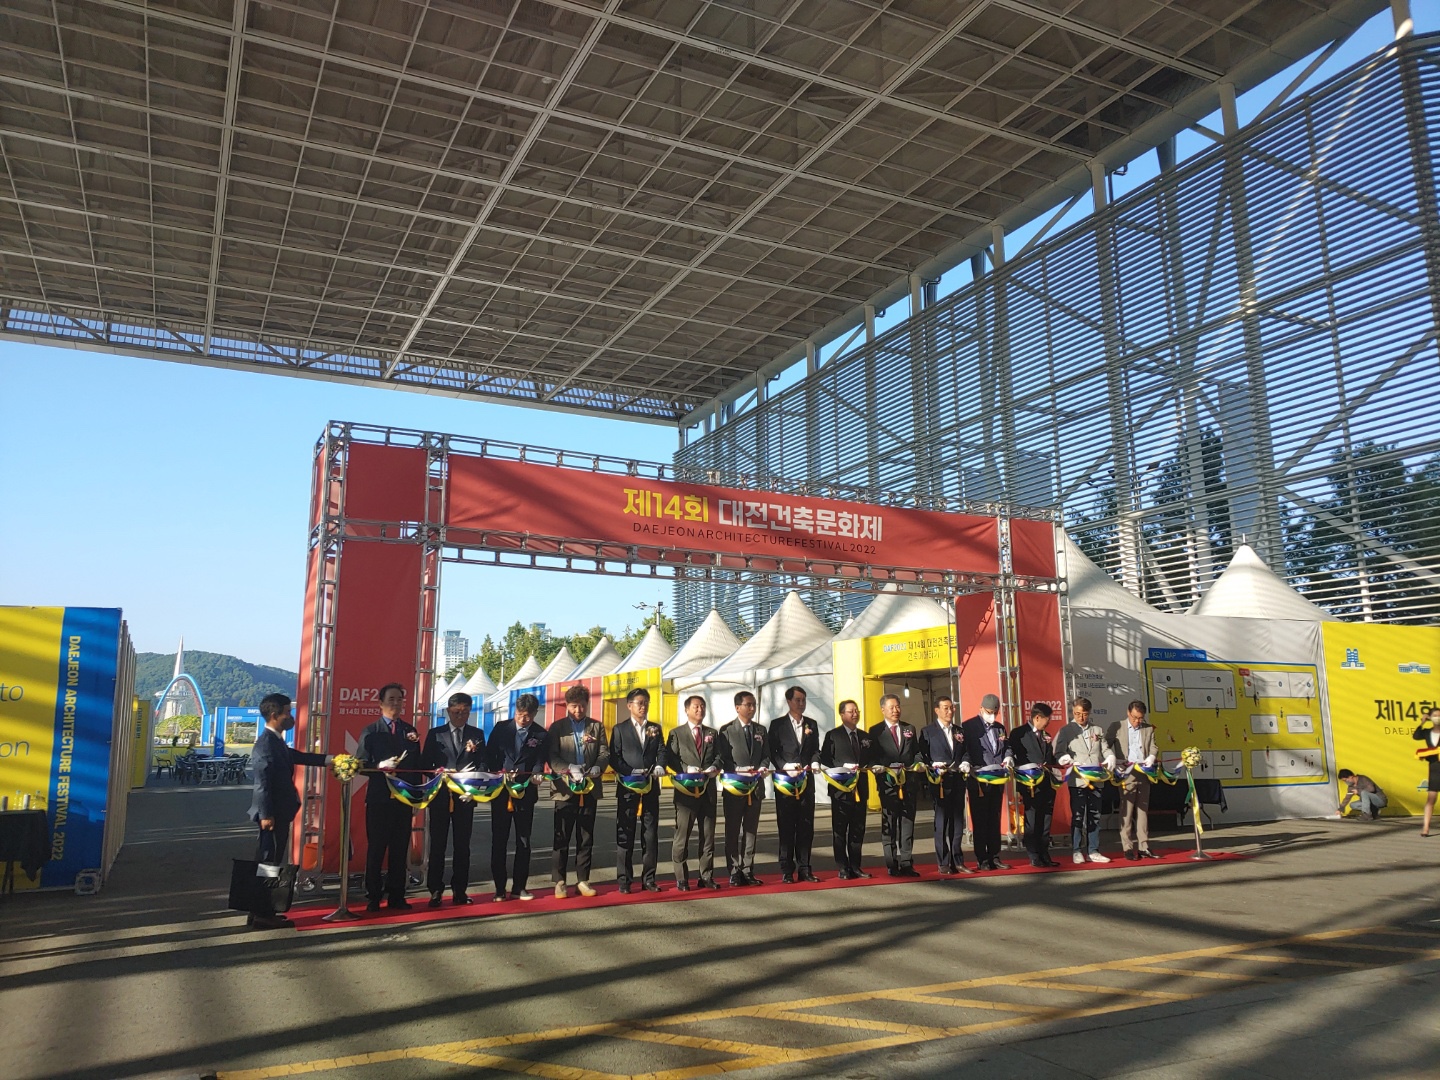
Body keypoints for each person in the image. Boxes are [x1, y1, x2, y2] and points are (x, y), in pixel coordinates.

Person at [245, 692, 332, 928]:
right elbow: (262, 783)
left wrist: (328, 759)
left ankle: (259, 909)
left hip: (278, 813)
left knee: (269, 861)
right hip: (272, 815)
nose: (291, 716)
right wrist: (266, 815)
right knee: (268, 863)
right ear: (275, 715)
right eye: (288, 712)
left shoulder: (276, 741)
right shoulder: (266, 744)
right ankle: (263, 914)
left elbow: (294, 756)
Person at [358, 681, 423, 912]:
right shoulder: (371, 731)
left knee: (400, 848)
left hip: (403, 798)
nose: (396, 703)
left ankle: (397, 895)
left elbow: (416, 767)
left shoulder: (410, 731)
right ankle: (374, 896)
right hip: (379, 799)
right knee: (377, 848)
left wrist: (416, 797)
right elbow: (360, 764)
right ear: (380, 703)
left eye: (399, 699)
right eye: (391, 699)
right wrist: (379, 766)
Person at [422, 691, 486, 906]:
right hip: (441, 795)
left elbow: (484, 763)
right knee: (438, 845)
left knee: (462, 845)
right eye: (457, 711)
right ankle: (435, 890)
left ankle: (460, 890)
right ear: (448, 711)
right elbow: (424, 764)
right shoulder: (436, 734)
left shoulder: (477, 734)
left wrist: (474, 780)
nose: (461, 716)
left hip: (465, 796)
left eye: (465, 712)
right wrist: (439, 772)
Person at [547, 684, 610, 898]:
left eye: (582, 706)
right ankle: (560, 881)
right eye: (574, 706)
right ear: (567, 705)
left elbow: (604, 752)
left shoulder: (596, 727)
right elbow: (552, 756)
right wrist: (567, 768)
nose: (578, 710)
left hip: (589, 787)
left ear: (587, 705)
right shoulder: (557, 727)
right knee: (562, 835)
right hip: (565, 788)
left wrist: (598, 767)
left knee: (585, 835)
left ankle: (583, 879)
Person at [485, 693, 547, 902]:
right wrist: (498, 771)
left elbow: (540, 760)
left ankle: (519, 887)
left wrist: (537, 773)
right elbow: (489, 755)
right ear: (515, 711)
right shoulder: (501, 728)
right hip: (501, 791)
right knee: (499, 840)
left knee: (523, 841)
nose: (523, 719)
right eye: (520, 714)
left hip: (525, 791)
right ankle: (499, 888)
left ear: (535, 714)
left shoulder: (540, 734)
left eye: (528, 716)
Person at [609, 687, 664, 894]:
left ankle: (649, 878)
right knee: (626, 833)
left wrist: (660, 765)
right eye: (640, 703)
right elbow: (615, 757)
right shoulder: (619, 729)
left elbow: (662, 751)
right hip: (628, 787)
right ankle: (624, 879)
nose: (643, 707)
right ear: (629, 705)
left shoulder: (655, 728)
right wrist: (629, 771)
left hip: (650, 787)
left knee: (650, 834)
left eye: (646, 703)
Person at [665, 696, 723, 890]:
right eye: (696, 706)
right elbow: (670, 758)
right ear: (687, 710)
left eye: (703, 706)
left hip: (708, 791)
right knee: (682, 836)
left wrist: (714, 766)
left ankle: (706, 876)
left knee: (708, 837)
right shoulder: (676, 733)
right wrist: (685, 768)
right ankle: (681, 877)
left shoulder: (712, 733)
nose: (700, 710)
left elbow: (719, 755)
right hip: (685, 792)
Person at [769, 686, 821, 883]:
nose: (801, 704)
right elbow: (772, 751)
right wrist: (784, 766)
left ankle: (805, 867)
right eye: (797, 700)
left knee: (806, 826)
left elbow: (815, 749)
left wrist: (815, 762)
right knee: (787, 825)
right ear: (789, 701)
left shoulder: (811, 724)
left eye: (803, 700)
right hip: (785, 782)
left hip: (806, 781)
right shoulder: (777, 725)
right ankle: (787, 869)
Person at [1052, 697, 1114, 864]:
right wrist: (1065, 759)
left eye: (1084, 714)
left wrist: (1110, 757)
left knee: (1095, 815)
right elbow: (1058, 752)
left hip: (1096, 778)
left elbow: (1105, 749)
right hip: (1078, 779)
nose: (1081, 717)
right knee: (1078, 815)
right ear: (1073, 712)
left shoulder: (1097, 730)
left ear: (1089, 713)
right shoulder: (1066, 730)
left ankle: (1093, 850)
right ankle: (1077, 850)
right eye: (1077, 713)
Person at [718, 690, 770, 886]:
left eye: (754, 704)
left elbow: (766, 754)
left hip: (755, 787)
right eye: (748, 704)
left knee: (750, 831)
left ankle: (748, 869)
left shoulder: (760, 730)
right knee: (732, 830)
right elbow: (722, 757)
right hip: (735, 787)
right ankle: (734, 870)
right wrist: (737, 769)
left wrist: (763, 766)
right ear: (737, 707)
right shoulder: (726, 730)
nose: (752, 708)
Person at [918, 695, 974, 874]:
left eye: (952, 708)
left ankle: (957, 860)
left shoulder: (959, 731)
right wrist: (931, 765)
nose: (950, 711)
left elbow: (966, 751)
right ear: (937, 710)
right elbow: (922, 755)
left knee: (957, 822)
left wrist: (966, 762)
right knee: (942, 822)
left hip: (958, 780)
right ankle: (943, 861)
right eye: (946, 708)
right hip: (940, 782)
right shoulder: (928, 731)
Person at [819, 699, 872, 879]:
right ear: (842, 714)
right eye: (851, 711)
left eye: (857, 711)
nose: (855, 714)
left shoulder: (865, 737)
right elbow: (825, 760)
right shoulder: (833, 735)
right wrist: (842, 766)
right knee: (840, 830)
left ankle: (856, 866)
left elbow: (872, 759)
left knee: (858, 829)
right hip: (840, 790)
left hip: (860, 790)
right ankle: (842, 867)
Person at [961, 693, 1014, 871]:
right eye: (989, 712)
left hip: (997, 778)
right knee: (980, 819)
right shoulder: (968, 726)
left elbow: (1007, 747)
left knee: (994, 817)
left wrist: (1008, 757)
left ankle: (995, 855)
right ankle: (982, 858)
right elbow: (965, 750)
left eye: (995, 712)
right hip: (979, 779)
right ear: (981, 709)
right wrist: (967, 763)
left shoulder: (1000, 728)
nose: (992, 715)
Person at [870, 693, 921, 878]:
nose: (895, 710)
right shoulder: (875, 731)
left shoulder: (909, 728)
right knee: (890, 824)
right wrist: (876, 767)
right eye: (891, 707)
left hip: (908, 783)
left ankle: (907, 863)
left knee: (907, 824)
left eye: (898, 706)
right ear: (883, 709)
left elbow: (916, 752)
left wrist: (918, 763)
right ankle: (892, 863)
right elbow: (872, 756)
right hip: (888, 784)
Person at [1008, 703, 1059, 867]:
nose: (1048, 723)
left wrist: (1062, 760)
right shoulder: (1019, 733)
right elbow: (1013, 756)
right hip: (1029, 783)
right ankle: (1033, 855)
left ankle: (1044, 853)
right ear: (1038, 717)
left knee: (1045, 820)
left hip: (1046, 783)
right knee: (1032, 820)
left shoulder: (1046, 735)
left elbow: (1050, 758)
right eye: (1047, 719)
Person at [1108, 700, 1159, 860]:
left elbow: (1154, 746)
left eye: (1140, 718)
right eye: (1135, 717)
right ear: (1128, 713)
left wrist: (1152, 756)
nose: (1137, 721)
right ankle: (1127, 847)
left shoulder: (1148, 728)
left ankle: (1144, 846)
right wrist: (1113, 759)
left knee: (1143, 810)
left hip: (1143, 772)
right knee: (1127, 810)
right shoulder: (1117, 726)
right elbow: (1105, 745)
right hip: (1126, 772)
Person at [1413, 707, 1440, 836]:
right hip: (1434, 768)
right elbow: (1416, 736)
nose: (1437, 718)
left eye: (1439, 715)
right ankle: (1426, 828)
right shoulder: (1427, 732)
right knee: (1431, 799)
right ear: (1430, 717)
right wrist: (1422, 722)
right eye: (1435, 715)